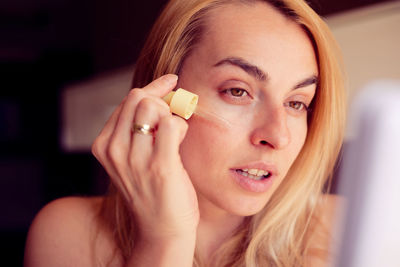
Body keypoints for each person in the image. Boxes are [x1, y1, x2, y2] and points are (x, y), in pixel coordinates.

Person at [24, 0, 346, 266]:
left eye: (296, 103)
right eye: (237, 91)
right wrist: (164, 240)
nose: (278, 137)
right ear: (164, 98)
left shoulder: (347, 229)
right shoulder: (69, 234)